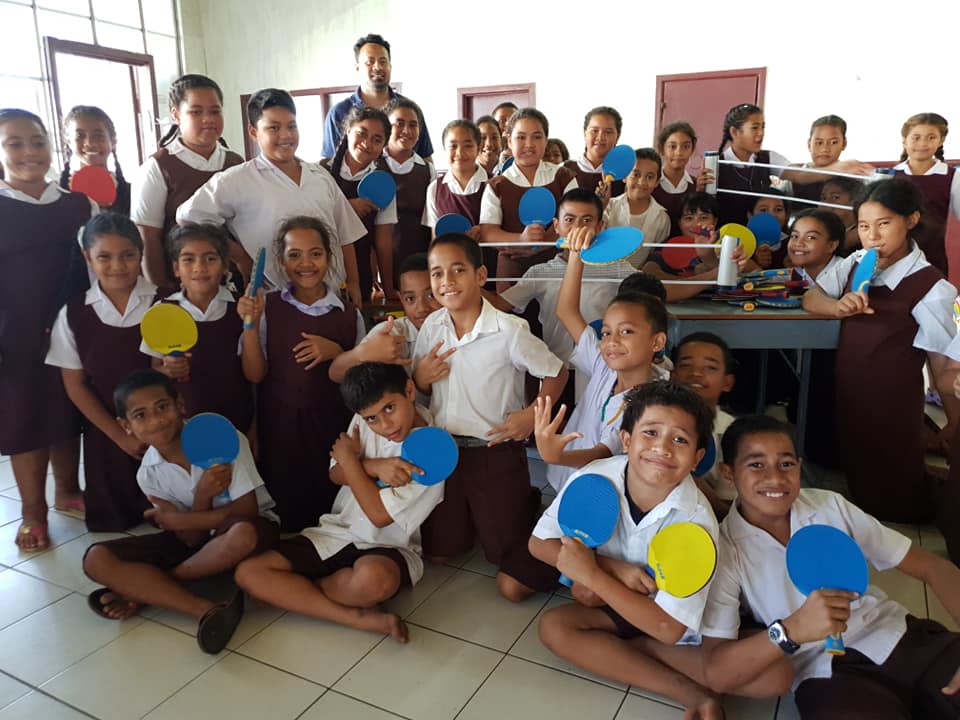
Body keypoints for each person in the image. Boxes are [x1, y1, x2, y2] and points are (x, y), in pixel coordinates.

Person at [694, 415, 960, 719]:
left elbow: (933, 567)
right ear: (729, 474)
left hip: (903, 639)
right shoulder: (724, 551)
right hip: (827, 675)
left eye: (786, 464)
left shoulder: (828, 507)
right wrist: (792, 629)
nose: (776, 478)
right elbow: (717, 671)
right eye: (756, 464)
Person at [530, 381, 722, 719]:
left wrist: (591, 573)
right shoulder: (594, 479)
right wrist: (610, 568)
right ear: (627, 440)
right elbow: (538, 544)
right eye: (650, 433)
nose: (662, 448)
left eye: (680, 440)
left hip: (663, 615)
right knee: (554, 627)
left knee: (728, 671)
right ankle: (682, 687)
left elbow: (670, 628)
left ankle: (685, 687)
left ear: (697, 458)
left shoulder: (696, 520)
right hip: (616, 605)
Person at [802, 178, 960, 559]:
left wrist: (954, 423)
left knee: (895, 479)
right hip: (853, 390)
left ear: (911, 220)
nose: (873, 237)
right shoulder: (857, 264)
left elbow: (943, 362)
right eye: (865, 226)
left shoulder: (932, 287)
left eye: (884, 224)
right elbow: (811, 295)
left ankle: (926, 503)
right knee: (860, 464)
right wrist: (835, 307)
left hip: (893, 398)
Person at [235, 362, 444, 644]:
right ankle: (356, 617)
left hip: (388, 545)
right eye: (371, 419)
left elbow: (378, 516)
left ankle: (294, 594)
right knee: (249, 573)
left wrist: (351, 461)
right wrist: (373, 466)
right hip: (337, 531)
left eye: (390, 409)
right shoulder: (363, 419)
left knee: (374, 580)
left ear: (409, 391)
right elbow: (335, 473)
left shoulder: (434, 449)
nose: (384, 425)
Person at [412, 233, 568, 602]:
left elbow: (557, 372)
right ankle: (474, 512)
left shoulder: (510, 331)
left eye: (457, 270)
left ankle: (524, 499)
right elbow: (417, 387)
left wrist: (532, 415)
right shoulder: (433, 325)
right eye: (437, 274)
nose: (446, 282)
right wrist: (419, 377)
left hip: (494, 451)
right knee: (440, 550)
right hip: (446, 452)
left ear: (481, 275)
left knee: (502, 554)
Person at [82, 369, 279, 655]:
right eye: (141, 415)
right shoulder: (147, 474)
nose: (156, 420)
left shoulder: (222, 438)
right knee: (96, 559)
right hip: (197, 545)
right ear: (125, 426)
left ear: (180, 405)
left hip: (251, 531)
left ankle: (152, 589)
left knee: (242, 534)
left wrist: (179, 519)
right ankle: (204, 609)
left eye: (162, 407)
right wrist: (201, 497)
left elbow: (246, 512)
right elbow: (190, 539)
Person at [0, 108, 93, 551]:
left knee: (68, 410)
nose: (28, 152)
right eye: (14, 143)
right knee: (26, 419)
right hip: (13, 334)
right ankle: (32, 512)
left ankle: (68, 491)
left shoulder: (78, 204)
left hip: (73, 328)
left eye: (36, 141)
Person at [178, 88, 366, 305]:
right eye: (273, 128)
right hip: (276, 304)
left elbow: (345, 234)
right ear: (253, 132)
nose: (285, 136)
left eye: (291, 126)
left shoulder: (319, 175)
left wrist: (353, 282)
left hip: (332, 297)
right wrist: (241, 257)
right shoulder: (236, 180)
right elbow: (187, 217)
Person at [238, 216, 364, 531]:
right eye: (294, 255)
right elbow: (254, 375)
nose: (305, 263)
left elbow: (363, 378)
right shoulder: (268, 307)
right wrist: (249, 326)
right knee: (287, 513)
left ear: (329, 258)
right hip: (280, 428)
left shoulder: (348, 315)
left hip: (332, 426)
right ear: (281, 262)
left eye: (315, 254)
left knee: (329, 509)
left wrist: (338, 352)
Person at [532, 220, 669, 491]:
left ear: (657, 341)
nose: (611, 342)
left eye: (626, 332)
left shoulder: (652, 400)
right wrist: (575, 256)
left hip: (598, 491)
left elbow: (603, 453)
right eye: (606, 333)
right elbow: (567, 311)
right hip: (563, 481)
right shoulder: (604, 366)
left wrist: (557, 455)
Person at [46, 213, 156, 531]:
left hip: (161, 429)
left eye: (128, 256)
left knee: (169, 513)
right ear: (87, 258)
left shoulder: (165, 303)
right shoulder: (75, 313)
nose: (117, 266)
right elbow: (75, 384)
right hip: (106, 430)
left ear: (141, 254)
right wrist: (119, 436)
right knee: (115, 517)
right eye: (104, 257)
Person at [484, 189, 634, 376]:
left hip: (601, 368)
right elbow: (500, 304)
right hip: (557, 368)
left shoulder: (617, 267)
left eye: (586, 221)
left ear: (600, 227)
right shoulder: (540, 272)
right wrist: (467, 283)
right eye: (569, 220)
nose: (577, 228)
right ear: (556, 226)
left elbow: (657, 289)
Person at [131, 74, 244, 289]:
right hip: (182, 287)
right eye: (196, 111)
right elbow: (148, 238)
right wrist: (161, 291)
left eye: (215, 111)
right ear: (176, 115)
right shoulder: (158, 167)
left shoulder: (235, 162)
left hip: (232, 282)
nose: (208, 119)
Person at [141, 223, 254, 434]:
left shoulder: (239, 309)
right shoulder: (164, 311)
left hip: (237, 419)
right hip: (183, 424)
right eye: (188, 259)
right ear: (176, 268)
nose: (199, 267)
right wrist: (168, 369)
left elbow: (254, 376)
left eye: (210, 258)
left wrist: (255, 427)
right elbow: (154, 370)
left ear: (224, 266)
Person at [716, 103, 873, 227]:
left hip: (765, 236)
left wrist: (840, 168)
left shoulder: (769, 157)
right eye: (755, 128)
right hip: (727, 234)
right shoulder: (716, 163)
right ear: (735, 132)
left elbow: (799, 175)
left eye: (763, 126)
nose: (761, 133)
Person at [479, 108, 578, 291]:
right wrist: (521, 239)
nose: (529, 144)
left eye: (537, 137)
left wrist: (542, 243)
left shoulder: (564, 177)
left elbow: (574, 221)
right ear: (509, 141)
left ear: (546, 140)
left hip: (558, 266)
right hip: (512, 269)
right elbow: (488, 232)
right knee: (512, 316)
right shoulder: (497, 185)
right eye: (521, 137)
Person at [322, 106, 398, 304]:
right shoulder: (320, 172)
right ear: (347, 131)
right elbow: (309, 219)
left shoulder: (383, 183)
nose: (367, 143)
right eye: (361, 133)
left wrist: (389, 290)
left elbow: (384, 241)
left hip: (360, 268)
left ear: (383, 145)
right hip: (321, 267)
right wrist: (347, 208)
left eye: (377, 139)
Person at [329, 252, 441, 382]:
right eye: (410, 298)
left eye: (431, 295)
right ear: (401, 298)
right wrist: (363, 353)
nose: (421, 308)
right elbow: (335, 373)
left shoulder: (462, 331)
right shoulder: (391, 333)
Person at [322, 33, 433, 160]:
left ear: (390, 66)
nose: (378, 67)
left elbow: (426, 157)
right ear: (357, 68)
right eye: (370, 62)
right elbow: (330, 163)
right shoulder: (339, 112)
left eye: (383, 61)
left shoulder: (410, 111)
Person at [670, 332, 737, 518]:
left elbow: (729, 512)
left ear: (727, 382)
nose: (696, 373)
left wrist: (692, 483)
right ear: (673, 375)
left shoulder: (732, 434)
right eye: (686, 365)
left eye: (710, 367)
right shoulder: (656, 426)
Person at [891, 113, 959, 276]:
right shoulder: (888, 175)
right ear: (904, 139)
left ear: (941, 140)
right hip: (891, 260)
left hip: (932, 260)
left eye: (931, 137)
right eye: (916, 137)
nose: (922, 143)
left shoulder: (952, 177)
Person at [423, 119, 490, 273]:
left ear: (478, 148)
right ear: (444, 149)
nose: (459, 153)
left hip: (487, 266)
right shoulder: (435, 189)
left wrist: (484, 231)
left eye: (467, 145)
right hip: (452, 270)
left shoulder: (493, 184)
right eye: (453, 146)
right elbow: (435, 239)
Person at [384, 97, 436, 287]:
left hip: (418, 258)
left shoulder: (427, 170)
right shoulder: (373, 166)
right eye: (399, 124)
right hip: (381, 262)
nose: (406, 130)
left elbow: (431, 223)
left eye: (413, 125)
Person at [603, 148, 671, 267]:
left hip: (638, 280)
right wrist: (601, 206)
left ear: (657, 182)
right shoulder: (608, 207)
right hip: (605, 275)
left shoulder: (661, 218)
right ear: (624, 177)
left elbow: (656, 254)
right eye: (636, 174)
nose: (641, 182)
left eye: (650, 177)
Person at [59, 105, 130, 215]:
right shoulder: (59, 196)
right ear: (68, 142)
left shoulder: (131, 193)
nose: (89, 143)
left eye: (98, 135)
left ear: (113, 140)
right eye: (80, 136)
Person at [653, 121, 710, 236]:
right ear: (662, 149)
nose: (679, 152)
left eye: (686, 146)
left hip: (688, 250)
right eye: (672, 146)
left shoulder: (697, 185)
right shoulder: (651, 184)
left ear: (692, 150)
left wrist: (700, 194)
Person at [564, 106, 624, 198]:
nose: (600, 137)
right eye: (595, 131)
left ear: (618, 136)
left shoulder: (626, 174)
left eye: (608, 132)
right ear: (585, 133)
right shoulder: (564, 170)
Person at [790, 115, 849, 206]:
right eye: (819, 143)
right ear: (809, 144)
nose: (825, 149)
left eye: (833, 142)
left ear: (844, 144)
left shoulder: (851, 180)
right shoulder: (793, 181)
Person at [787, 209, 843, 287]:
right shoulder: (793, 276)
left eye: (810, 237)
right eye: (795, 236)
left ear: (831, 245)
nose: (798, 243)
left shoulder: (847, 274)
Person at [820, 176, 866, 255]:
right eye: (823, 198)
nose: (826, 203)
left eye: (835, 197)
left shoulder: (864, 239)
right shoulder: (819, 229)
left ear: (855, 201)